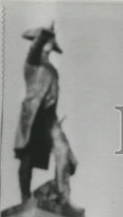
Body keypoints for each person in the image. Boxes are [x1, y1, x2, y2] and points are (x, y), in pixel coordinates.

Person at [14, 24, 77, 204]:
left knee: (65, 155)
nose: (49, 44)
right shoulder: (32, 62)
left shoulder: (52, 69)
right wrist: (45, 35)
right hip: (33, 116)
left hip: (50, 118)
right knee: (27, 159)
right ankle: (25, 197)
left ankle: (61, 194)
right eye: (46, 41)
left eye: (50, 41)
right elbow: (35, 49)